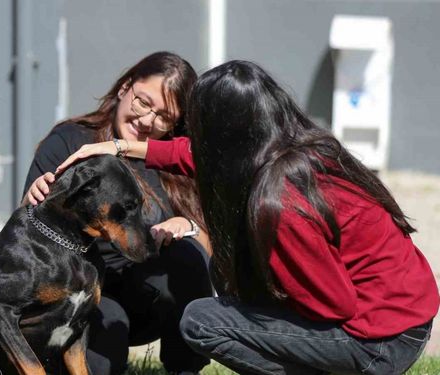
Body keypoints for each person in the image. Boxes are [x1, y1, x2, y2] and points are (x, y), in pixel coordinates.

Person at [52, 60, 440, 375]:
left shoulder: (283, 201)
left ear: (227, 134)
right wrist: (120, 147)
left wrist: (264, 286)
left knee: (202, 321)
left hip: (379, 339)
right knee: (233, 278)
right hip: (406, 314)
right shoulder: (294, 146)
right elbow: (192, 155)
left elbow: (333, 305)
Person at [21, 51, 212, 375]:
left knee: (188, 256)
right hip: (78, 291)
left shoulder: (176, 161)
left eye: (165, 116)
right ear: (125, 87)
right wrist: (31, 201)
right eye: (143, 102)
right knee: (103, 359)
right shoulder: (71, 141)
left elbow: (208, 247)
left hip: (146, 293)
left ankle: (185, 369)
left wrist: (187, 225)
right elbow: (26, 236)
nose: (148, 120)